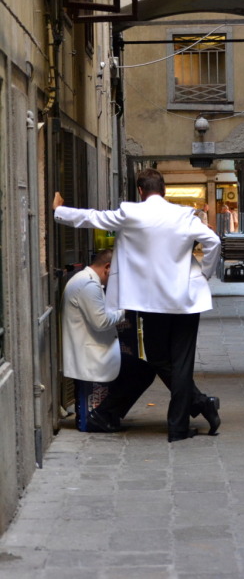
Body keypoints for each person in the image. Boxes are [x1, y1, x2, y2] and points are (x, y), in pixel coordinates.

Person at [53, 168, 222, 442]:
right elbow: (213, 241)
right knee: (181, 362)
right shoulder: (182, 215)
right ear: (164, 190)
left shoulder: (130, 213)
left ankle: (199, 407)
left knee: (157, 358)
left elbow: (93, 217)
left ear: (140, 191)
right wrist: (204, 273)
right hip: (186, 301)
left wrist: (60, 211)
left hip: (151, 301)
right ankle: (185, 420)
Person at [61, 248, 156, 433]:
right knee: (144, 371)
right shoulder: (88, 285)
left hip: (93, 349)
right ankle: (102, 414)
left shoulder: (85, 281)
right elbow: (102, 322)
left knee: (141, 368)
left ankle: (108, 414)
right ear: (107, 267)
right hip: (92, 354)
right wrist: (124, 309)